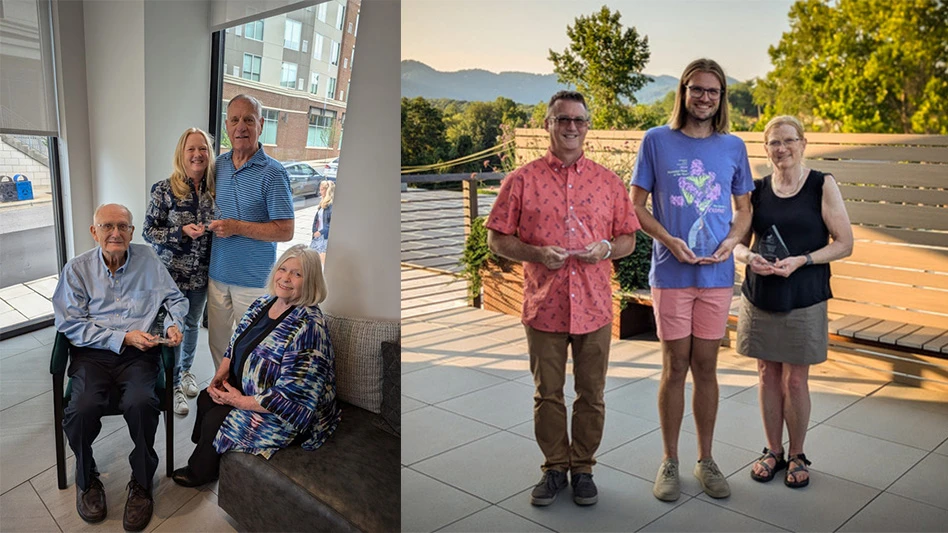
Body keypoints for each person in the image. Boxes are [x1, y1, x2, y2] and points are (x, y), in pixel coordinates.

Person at [486, 90, 640, 507]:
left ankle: (584, 467)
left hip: (595, 308)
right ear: (548, 125)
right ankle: (555, 467)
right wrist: (536, 253)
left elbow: (628, 236)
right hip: (544, 307)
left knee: (592, 394)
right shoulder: (521, 180)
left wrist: (606, 248)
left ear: (587, 126)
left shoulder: (608, 182)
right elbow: (497, 238)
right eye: (562, 119)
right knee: (548, 394)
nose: (571, 126)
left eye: (578, 120)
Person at [630, 58, 754, 502]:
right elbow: (637, 206)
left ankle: (705, 459)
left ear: (722, 99)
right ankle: (669, 461)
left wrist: (733, 242)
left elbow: (744, 210)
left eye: (713, 92)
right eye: (697, 89)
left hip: (718, 276)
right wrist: (668, 239)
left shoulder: (733, 146)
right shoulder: (656, 141)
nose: (704, 97)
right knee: (674, 367)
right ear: (683, 92)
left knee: (707, 367)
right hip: (671, 272)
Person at [52, 203, 188, 532]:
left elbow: (176, 299)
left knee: (141, 404)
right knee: (82, 409)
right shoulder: (77, 269)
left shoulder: (149, 261)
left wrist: (173, 323)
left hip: (140, 355)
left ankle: (142, 483)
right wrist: (122, 337)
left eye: (123, 226)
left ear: (132, 231)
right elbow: (69, 323)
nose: (115, 233)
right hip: (94, 354)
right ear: (93, 231)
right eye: (107, 226)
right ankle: (87, 478)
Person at [734, 115, 853, 488]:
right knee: (767, 374)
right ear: (765, 149)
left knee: (796, 381)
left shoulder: (822, 184)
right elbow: (734, 242)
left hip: (804, 294)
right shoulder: (755, 189)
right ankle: (773, 450)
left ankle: (797, 453)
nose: (781, 149)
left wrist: (803, 260)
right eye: (774, 143)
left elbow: (844, 243)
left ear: (803, 143)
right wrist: (748, 258)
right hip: (761, 292)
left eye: (789, 140)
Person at [171, 245, 341, 487]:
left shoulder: (308, 328)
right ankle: (210, 454)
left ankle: (201, 471)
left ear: (311, 281)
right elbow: (236, 341)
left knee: (217, 419)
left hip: (287, 414)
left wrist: (238, 401)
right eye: (283, 269)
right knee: (206, 399)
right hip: (253, 391)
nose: (285, 278)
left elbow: (294, 398)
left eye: (297, 274)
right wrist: (222, 373)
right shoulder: (264, 302)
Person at [207, 94, 295, 369]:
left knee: (251, 348)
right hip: (217, 275)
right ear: (226, 126)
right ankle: (221, 392)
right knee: (218, 343)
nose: (241, 127)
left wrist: (237, 227)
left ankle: (245, 397)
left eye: (248, 119)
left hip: (255, 281)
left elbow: (286, 230)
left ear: (261, 124)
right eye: (234, 120)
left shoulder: (273, 173)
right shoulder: (218, 166)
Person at [143, 127, 216, 416]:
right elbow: (149, 231)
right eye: (191, 149)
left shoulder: (214, 191)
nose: (197, 154)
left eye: (203, 149)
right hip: (170, 277)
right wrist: (180, 232)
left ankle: (186, 372)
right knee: (170, 328)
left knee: (192, 326)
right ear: (181, 155)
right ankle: (171, 385)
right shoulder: (164, 189)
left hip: (201, 275)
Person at [310, 179, 334, 264]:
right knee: (313, 259)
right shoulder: (322, 204)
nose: (320, 191)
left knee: (320, 262)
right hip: (317, 236)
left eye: (322, 189)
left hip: (323, 237)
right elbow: (317, 220)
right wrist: (314, 231)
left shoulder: (330, 206)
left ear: (327, 190)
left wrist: (320, 232)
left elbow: (330, 224)